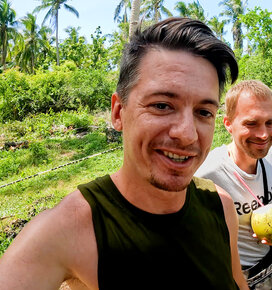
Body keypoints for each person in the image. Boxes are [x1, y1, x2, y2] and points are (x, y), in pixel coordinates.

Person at [0, 18, 249, 289]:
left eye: (204, 112)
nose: (187, 134)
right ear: (119, 113)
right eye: (163, 105)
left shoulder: (221, 207)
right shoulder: (68, 230)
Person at [196, 80, 272, 289]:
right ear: (228, 124)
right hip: (237, 278)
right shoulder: (207, 173)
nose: (264, 134)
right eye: (251, 124)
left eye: (270, 122)